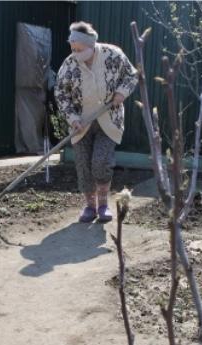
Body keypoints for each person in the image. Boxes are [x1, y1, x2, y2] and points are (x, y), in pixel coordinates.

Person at [55, 21, 139, 223]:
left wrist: (121, 92)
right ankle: (89, 207)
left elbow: (132, 75)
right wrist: (73, 119)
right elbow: (61, 93)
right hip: (81, 124)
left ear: (91, 45)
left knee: (100, 162)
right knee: (83, 165)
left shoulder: (113, 55)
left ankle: (103, 205)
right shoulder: (69, 64)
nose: (75, 53)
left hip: (108, 119)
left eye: (79, 49)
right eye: (73, 48)